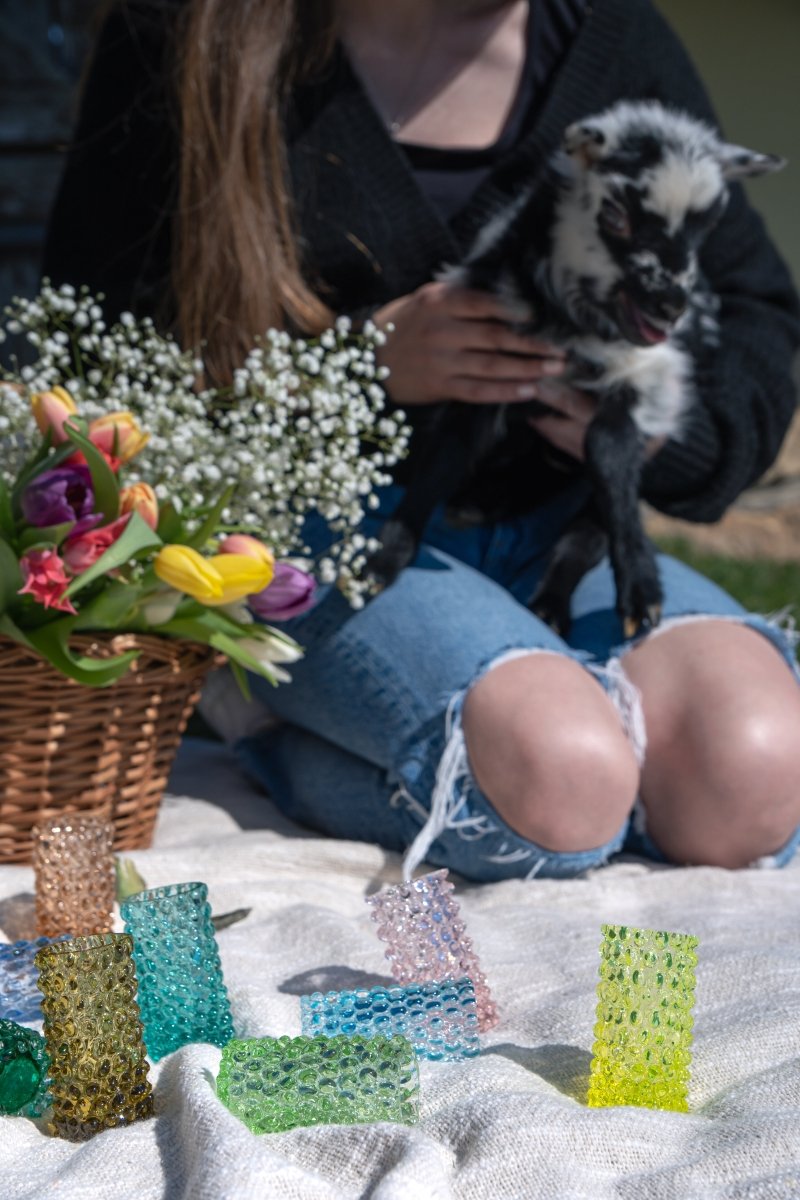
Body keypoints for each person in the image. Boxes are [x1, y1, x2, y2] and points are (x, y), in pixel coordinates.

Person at [42, 0, 800, 882]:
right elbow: (97, 359)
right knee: (565, 785)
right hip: (309, 541)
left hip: (559, 534)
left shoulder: (607, 34)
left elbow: (755, 307)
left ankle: (524, 713)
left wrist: (668, 433)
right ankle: (270, 736)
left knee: (752, 779)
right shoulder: (188, 35)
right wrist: (359, 362)